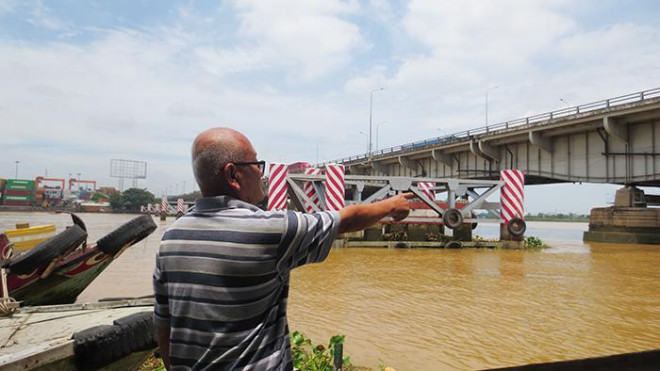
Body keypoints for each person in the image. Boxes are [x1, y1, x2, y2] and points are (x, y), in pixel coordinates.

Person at [153, 127, 412, 370]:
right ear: (233, 175)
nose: (262, 174)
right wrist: (391, 205)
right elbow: (347, 220)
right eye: (256, 165)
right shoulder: (270, 230)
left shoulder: (171, 238)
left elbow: (164, 327)